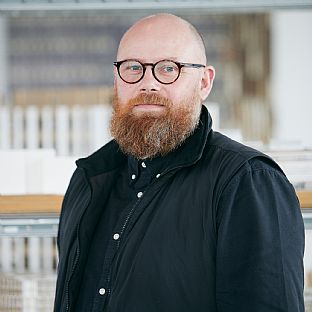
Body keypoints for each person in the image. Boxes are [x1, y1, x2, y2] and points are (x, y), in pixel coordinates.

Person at [54, 13, 304, 312]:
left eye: (168, 68)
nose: (148, 83)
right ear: (117, 79)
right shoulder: (88, 179)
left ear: (204, 82)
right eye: (133, 68)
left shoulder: (248, 181)